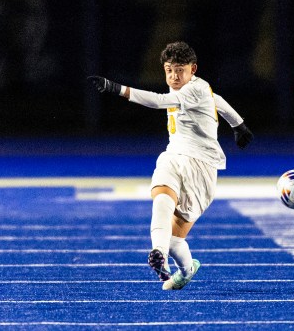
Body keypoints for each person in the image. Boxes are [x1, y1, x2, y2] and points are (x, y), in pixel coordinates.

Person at [88, 41, 253, 290]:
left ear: (193, 69)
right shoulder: (198, 88)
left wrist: (116, 88)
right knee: (162, 198)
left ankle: (186, 269)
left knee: (176, 239)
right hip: (174, 155)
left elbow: (157, 101)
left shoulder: (193, 91)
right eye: (169, 69)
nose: (174, 76)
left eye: (180, 70)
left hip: (201, 167)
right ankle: (159, 254)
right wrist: (238, 124)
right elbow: (216, 99)